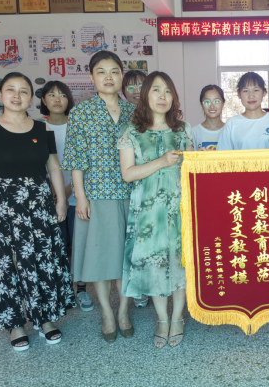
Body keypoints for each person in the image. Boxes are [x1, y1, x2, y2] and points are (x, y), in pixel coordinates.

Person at [0, 72, 75, 351]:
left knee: (43, 261)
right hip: (4, 207)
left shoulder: (42, 130)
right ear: (1, 95)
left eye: (23, 91)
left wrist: (61, 201)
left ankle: (46, 318)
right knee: (7, 265)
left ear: (31, 98)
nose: (16, 96)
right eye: (11, 90)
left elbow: (53, 167)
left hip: (40, 206)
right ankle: (15, 324)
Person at [63, 51, 136, 343]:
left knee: (126, 258)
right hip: (97, 195)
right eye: (101, 72)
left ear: (122, 76)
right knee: (100, 258)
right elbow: (76, 160)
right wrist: (80, 197)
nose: (108, 77)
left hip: (131, 194)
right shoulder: (81, 113)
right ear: (91, 77)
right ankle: (107, 312)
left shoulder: (134, 112)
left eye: (114, 71)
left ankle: (124, 311)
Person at [118, 71, 193, 348]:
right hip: (148, 211)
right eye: (156, 90)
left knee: (179, 263)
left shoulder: (183, 130)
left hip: (180, 208)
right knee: (155, 264)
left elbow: (192, 170)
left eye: (168, 91)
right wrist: (162, 161)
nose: (163, 96)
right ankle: (162, 319)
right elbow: (128, 174)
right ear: (145, 95)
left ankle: (178, 317)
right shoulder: (132, 132)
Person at [40, 81, 94, 313]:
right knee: (56, 246)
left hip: (76, 198)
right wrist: (52, 191)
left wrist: (67, 191)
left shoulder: (78, 124)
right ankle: (61, 290)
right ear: (44, 100)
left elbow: (88, 162)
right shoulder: (37, 128)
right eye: (51, 95)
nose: (57, 99)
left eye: (62, 94)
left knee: (79, 246)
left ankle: (81, 289)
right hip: (47, 198)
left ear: (69, 99)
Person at [121, 69, 150, 309]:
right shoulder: (122, 117)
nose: (136, 90)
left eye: (141, 85)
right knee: (132, 243)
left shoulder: (155, 114)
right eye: (131, 86)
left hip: (148, 190)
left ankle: (148, 286)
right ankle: (137, 288)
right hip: (120, 187)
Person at [217, 72, 269, 150]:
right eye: (245, 91)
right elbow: (223, 154)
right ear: (239, 94)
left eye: (256, 90)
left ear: (264, 92)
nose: (251, 95)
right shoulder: (232, 123)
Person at [192, 85, 225, 151]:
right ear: (201, 105)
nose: (212, 106)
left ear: (223, 103)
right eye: (207, 102)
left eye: (216, 101)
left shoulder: (229, 131)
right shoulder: (194, 132)